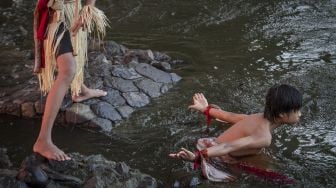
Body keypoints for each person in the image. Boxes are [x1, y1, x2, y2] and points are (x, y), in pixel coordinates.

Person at [169, 84, 302, 181]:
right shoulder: (264, 137)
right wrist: (197, 157)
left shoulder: (258, 117)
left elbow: (230, 116)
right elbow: (229, 147)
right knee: (281, 179)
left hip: (213, 143)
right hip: (218, 156)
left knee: (264, 158)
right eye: (297, 111)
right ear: (281, 114)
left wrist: (206, 109)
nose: (300, 114)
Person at [32, 0, 109, 161]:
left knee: (75, 55)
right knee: (68, 70)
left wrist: (88, 9)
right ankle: (43, 141)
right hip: (55, 16)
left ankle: (80, 89)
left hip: (73, 11)